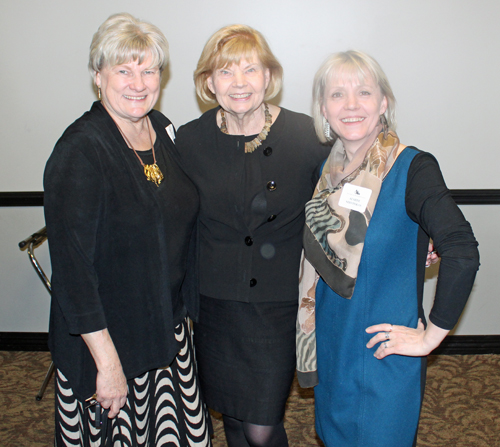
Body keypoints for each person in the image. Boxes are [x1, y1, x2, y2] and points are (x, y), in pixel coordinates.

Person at [43, 13, 211, 446]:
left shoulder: (160, 131)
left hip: (166, 334)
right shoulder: (80, 151)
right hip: (108, 345)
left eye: (148, 69)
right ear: (98, 76)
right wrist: (109, 365)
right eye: (123, 69)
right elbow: (73, 275)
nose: (138, 82)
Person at [298, 50, 480, 447]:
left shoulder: (412, 168)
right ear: (323, 109)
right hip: (333, 348)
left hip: (382, 357)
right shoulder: (323, 173)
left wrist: (431, 338)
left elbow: (463, 251)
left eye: (364, 92)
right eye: (337, 95)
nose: (350, 105)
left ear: (383, 104)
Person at [173, 25, 331, 446]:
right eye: (225, 72)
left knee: (261, 427)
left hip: (277, 306)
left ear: (269, 77)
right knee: (235, 419)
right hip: (215, 304)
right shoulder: (187, 141)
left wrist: (413, 237)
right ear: (209, 82)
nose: (239, 82)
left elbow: (360, 183)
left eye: (250, 69)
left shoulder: (308, 135)